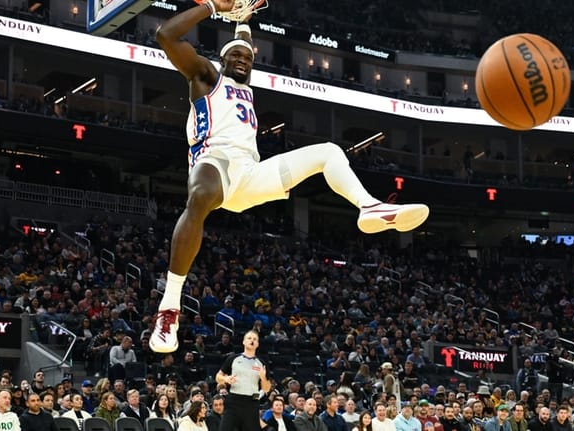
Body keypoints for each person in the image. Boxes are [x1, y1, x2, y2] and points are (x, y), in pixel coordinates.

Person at [147, 0, 430, 353]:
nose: (243, 60)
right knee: (201, 196)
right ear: (221, 60)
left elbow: (244, 40)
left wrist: (244, 22)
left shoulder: (246, 89)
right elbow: (165, 35)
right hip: (213, 162)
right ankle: (169, 307)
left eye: (248, 58)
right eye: (236, 55)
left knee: (328, 151)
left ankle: (369, 207)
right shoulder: (206, 76)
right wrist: (211, 6)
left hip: (249, 174)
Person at [215, 330, 272, 431]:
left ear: (257, 344)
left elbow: (266, 389)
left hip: (251, 403)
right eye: (249, 338)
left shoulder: (261, 363)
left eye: (255, 339)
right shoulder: (233, 358)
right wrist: (225, 379)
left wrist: (263, 378)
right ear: (244, 342)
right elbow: (218, 376)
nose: (252, 341)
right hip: (233, 401)